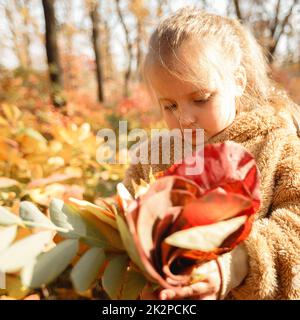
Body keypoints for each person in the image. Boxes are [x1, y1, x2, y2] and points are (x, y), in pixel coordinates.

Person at [122, 7, 300, 300]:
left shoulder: (279, 146)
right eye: (170, 106)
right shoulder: (152, 158)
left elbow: (294, 233)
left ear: (238, 81)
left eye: (201, 99)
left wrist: (235, 265)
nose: (184, 118)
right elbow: (125, 232)